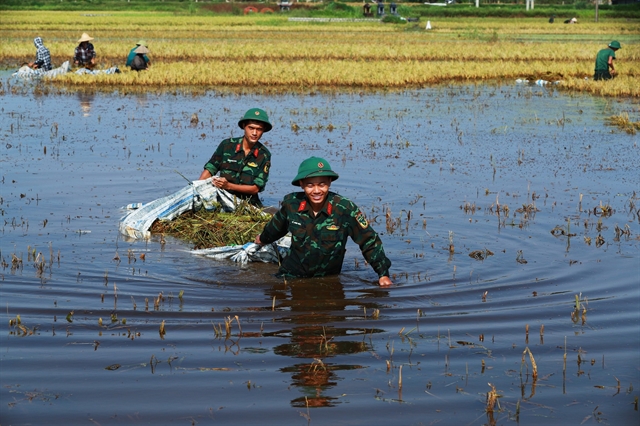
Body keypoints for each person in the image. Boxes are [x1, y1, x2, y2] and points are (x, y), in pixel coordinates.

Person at [254, 157, 393, 286]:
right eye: (310, 185)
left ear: (329, 182)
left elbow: (369, 240)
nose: (316, 191)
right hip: (292, 276)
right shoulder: (292, 205)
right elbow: (276, 228)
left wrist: (383, 274)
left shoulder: (344, 209)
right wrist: (263, 239)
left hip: (329, 280)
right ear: (301, 184)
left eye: (322, 184)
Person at [198, 108, 272, 207]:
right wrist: (198, 189)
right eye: (251, 128)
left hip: (248, 204)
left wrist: (228, 186)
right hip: (222, 199)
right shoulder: (227, 145)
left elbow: (255, 188)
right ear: (244, 127)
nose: (254, 133)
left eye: (259, 129)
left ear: (263, 131)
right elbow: (210, 169)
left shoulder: (264, 155)